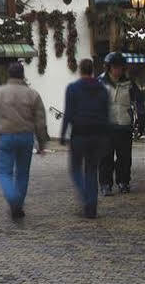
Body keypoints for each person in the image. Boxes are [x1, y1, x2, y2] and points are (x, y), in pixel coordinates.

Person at [0, 62, 47, 220]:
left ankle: (13, 199)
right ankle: (18, 204)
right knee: (23, 174)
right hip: (26, 137)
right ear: (22, 75)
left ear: (8, 75)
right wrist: (42, 143)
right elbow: (40, 121)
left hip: (7, 137)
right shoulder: (33, 94)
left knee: (4, 172)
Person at [61, 58, 109, 219]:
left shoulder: (73, 88)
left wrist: (62, 134)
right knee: (91, 170)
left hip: (79, 134)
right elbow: (106, 113)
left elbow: (68, 113)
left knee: (75, 168)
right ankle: (92, 206)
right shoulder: (102, 88)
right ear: (92, 70)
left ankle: (86, 198)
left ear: (80, 70)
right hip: (97, 134)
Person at [99, 52, 138, 195]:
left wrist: (139, 116)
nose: (117, 70)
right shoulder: (100, 82)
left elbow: (138, 101)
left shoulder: (129, 83)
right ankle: (105, 184)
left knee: (125, 157)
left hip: (124, 125)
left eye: (120, 67)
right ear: (108, 67)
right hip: (106, 126)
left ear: (123, 68)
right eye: (114, 67)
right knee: (105, 157)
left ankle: (123, 182)